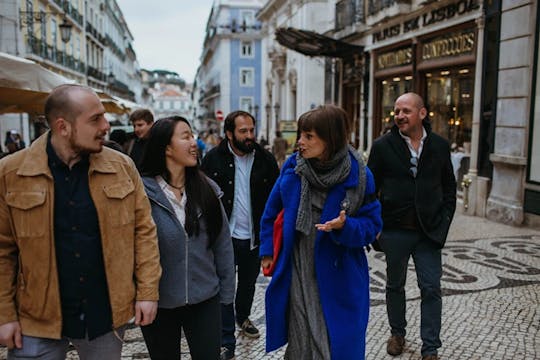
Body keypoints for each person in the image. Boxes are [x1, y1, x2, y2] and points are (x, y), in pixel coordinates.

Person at [0, 84, 161, 358]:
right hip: (36, 318)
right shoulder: (11, 172)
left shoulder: (122, 167)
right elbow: (3, 251)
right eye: (95, 119)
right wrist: (4, 314)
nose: (106, 126)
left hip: (105, 316)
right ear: (63, 127)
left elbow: (143, 232)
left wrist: (147, 292)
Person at [259, 104, 382, 359]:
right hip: (298, 265)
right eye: (301, 135)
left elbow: (373, 226)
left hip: (340, 272)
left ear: (330, 138)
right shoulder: (293, 167)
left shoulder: (359, 175)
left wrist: (346, 226)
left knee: (334, 340)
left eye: (308, 136)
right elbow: (271, 213)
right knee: (301, 338)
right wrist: (267, 250)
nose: (300, 142)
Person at [367, 92, 456, 360]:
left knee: (431, 287)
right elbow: (370, 189)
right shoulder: (382, 146)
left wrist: (444, 221)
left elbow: (449, 189)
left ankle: (430, 347)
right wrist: (376, 226)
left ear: (422, 113)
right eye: (397, 111)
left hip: (429, 231)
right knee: (395, 285)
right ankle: (397, 333)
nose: (400, 116)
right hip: (395, 230)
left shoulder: (440, 145)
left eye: (406, 111)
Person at [139, 116, 235, 359]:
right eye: (185, 136)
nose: (194, 142)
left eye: (193, 135)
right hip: (159, 302)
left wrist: (226, 295)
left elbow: (222, 242)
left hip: (205, 299)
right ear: (166, 147)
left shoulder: (208, 189)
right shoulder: (141, 193)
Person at [201, 110, 279, 360]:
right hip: (224, 237)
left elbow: (276, 201)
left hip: (255, 237)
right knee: (225, 285)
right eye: (243, 131)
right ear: (229, 134)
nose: (249, 135)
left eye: (251, 130)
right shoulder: (212, 159)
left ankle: (243, 317)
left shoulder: (266, 160)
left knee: (247, 282)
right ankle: (225, 339)